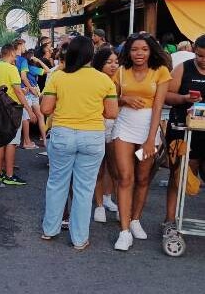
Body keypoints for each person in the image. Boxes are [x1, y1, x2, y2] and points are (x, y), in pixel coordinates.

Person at [40, 36, 118, 250]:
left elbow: (46, 109)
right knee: (84, 189)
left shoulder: (59, 77)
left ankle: (50, 229)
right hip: (92, 136)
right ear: (91, 54)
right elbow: (112, 113)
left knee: (57, 183)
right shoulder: (104, 80)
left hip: (63, 134)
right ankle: (79, 238)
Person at [112, 32, 172, 251]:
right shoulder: (120, 71)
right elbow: (110, 99)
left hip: (149, 127)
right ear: (128, 51)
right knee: (125, 177)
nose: (139, 53)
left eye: (144, 49)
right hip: (124, 125)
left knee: (143, 177)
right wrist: (124, 99)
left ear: (151, 51)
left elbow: (158, 107)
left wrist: (150, 140)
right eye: (135, 49)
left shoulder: (161, 71)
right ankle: (124, 231)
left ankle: (135, 219)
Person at [163, 34, 205, 231]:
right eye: (200, 56)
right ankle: (170, 220)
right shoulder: (183, 68)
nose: (203, 60)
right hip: (182, 127)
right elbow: (167, 95)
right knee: (177, 174)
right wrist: (184, 98)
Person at [0, 44, 36, 186]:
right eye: (15, 56)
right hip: (11, 110)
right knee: (11, 142)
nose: (16, 58)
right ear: (11, 54)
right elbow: (17, 91)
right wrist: (29, 110)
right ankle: (9, 175)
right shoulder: (11, 69)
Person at [91, 47, 121, 223]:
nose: (113, 65)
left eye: (116, 62)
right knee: (99, 168)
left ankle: (109, 198)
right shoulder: (96, 81)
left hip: (117, 128)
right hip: (98, 126)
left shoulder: (121, 79)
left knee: (115, 168)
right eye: (109, 62)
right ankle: (99, 205)